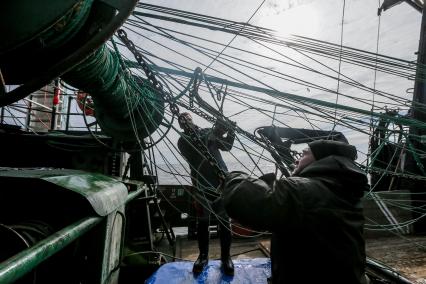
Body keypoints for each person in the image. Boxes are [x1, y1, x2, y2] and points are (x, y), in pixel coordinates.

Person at [221, 139, 369, 283]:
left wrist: (233, 177)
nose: (296, 160)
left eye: (304, 154)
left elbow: (251, 202)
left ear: (321, 159)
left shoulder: (304, 190)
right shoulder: (343, 189)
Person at [177, 112, 236, 276]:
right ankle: (203, 257)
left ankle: (226, 258)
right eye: (182, 120)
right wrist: (215, 131)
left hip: (221, 182)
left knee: (225, 222)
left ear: (192, 119)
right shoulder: (182, 141)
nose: (185, 121)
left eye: (187, 118)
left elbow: (227, 146)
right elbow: (195, 150)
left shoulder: (207, 132)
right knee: (203, 222)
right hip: (201, 184)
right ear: (180, 126)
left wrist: (231, 130)